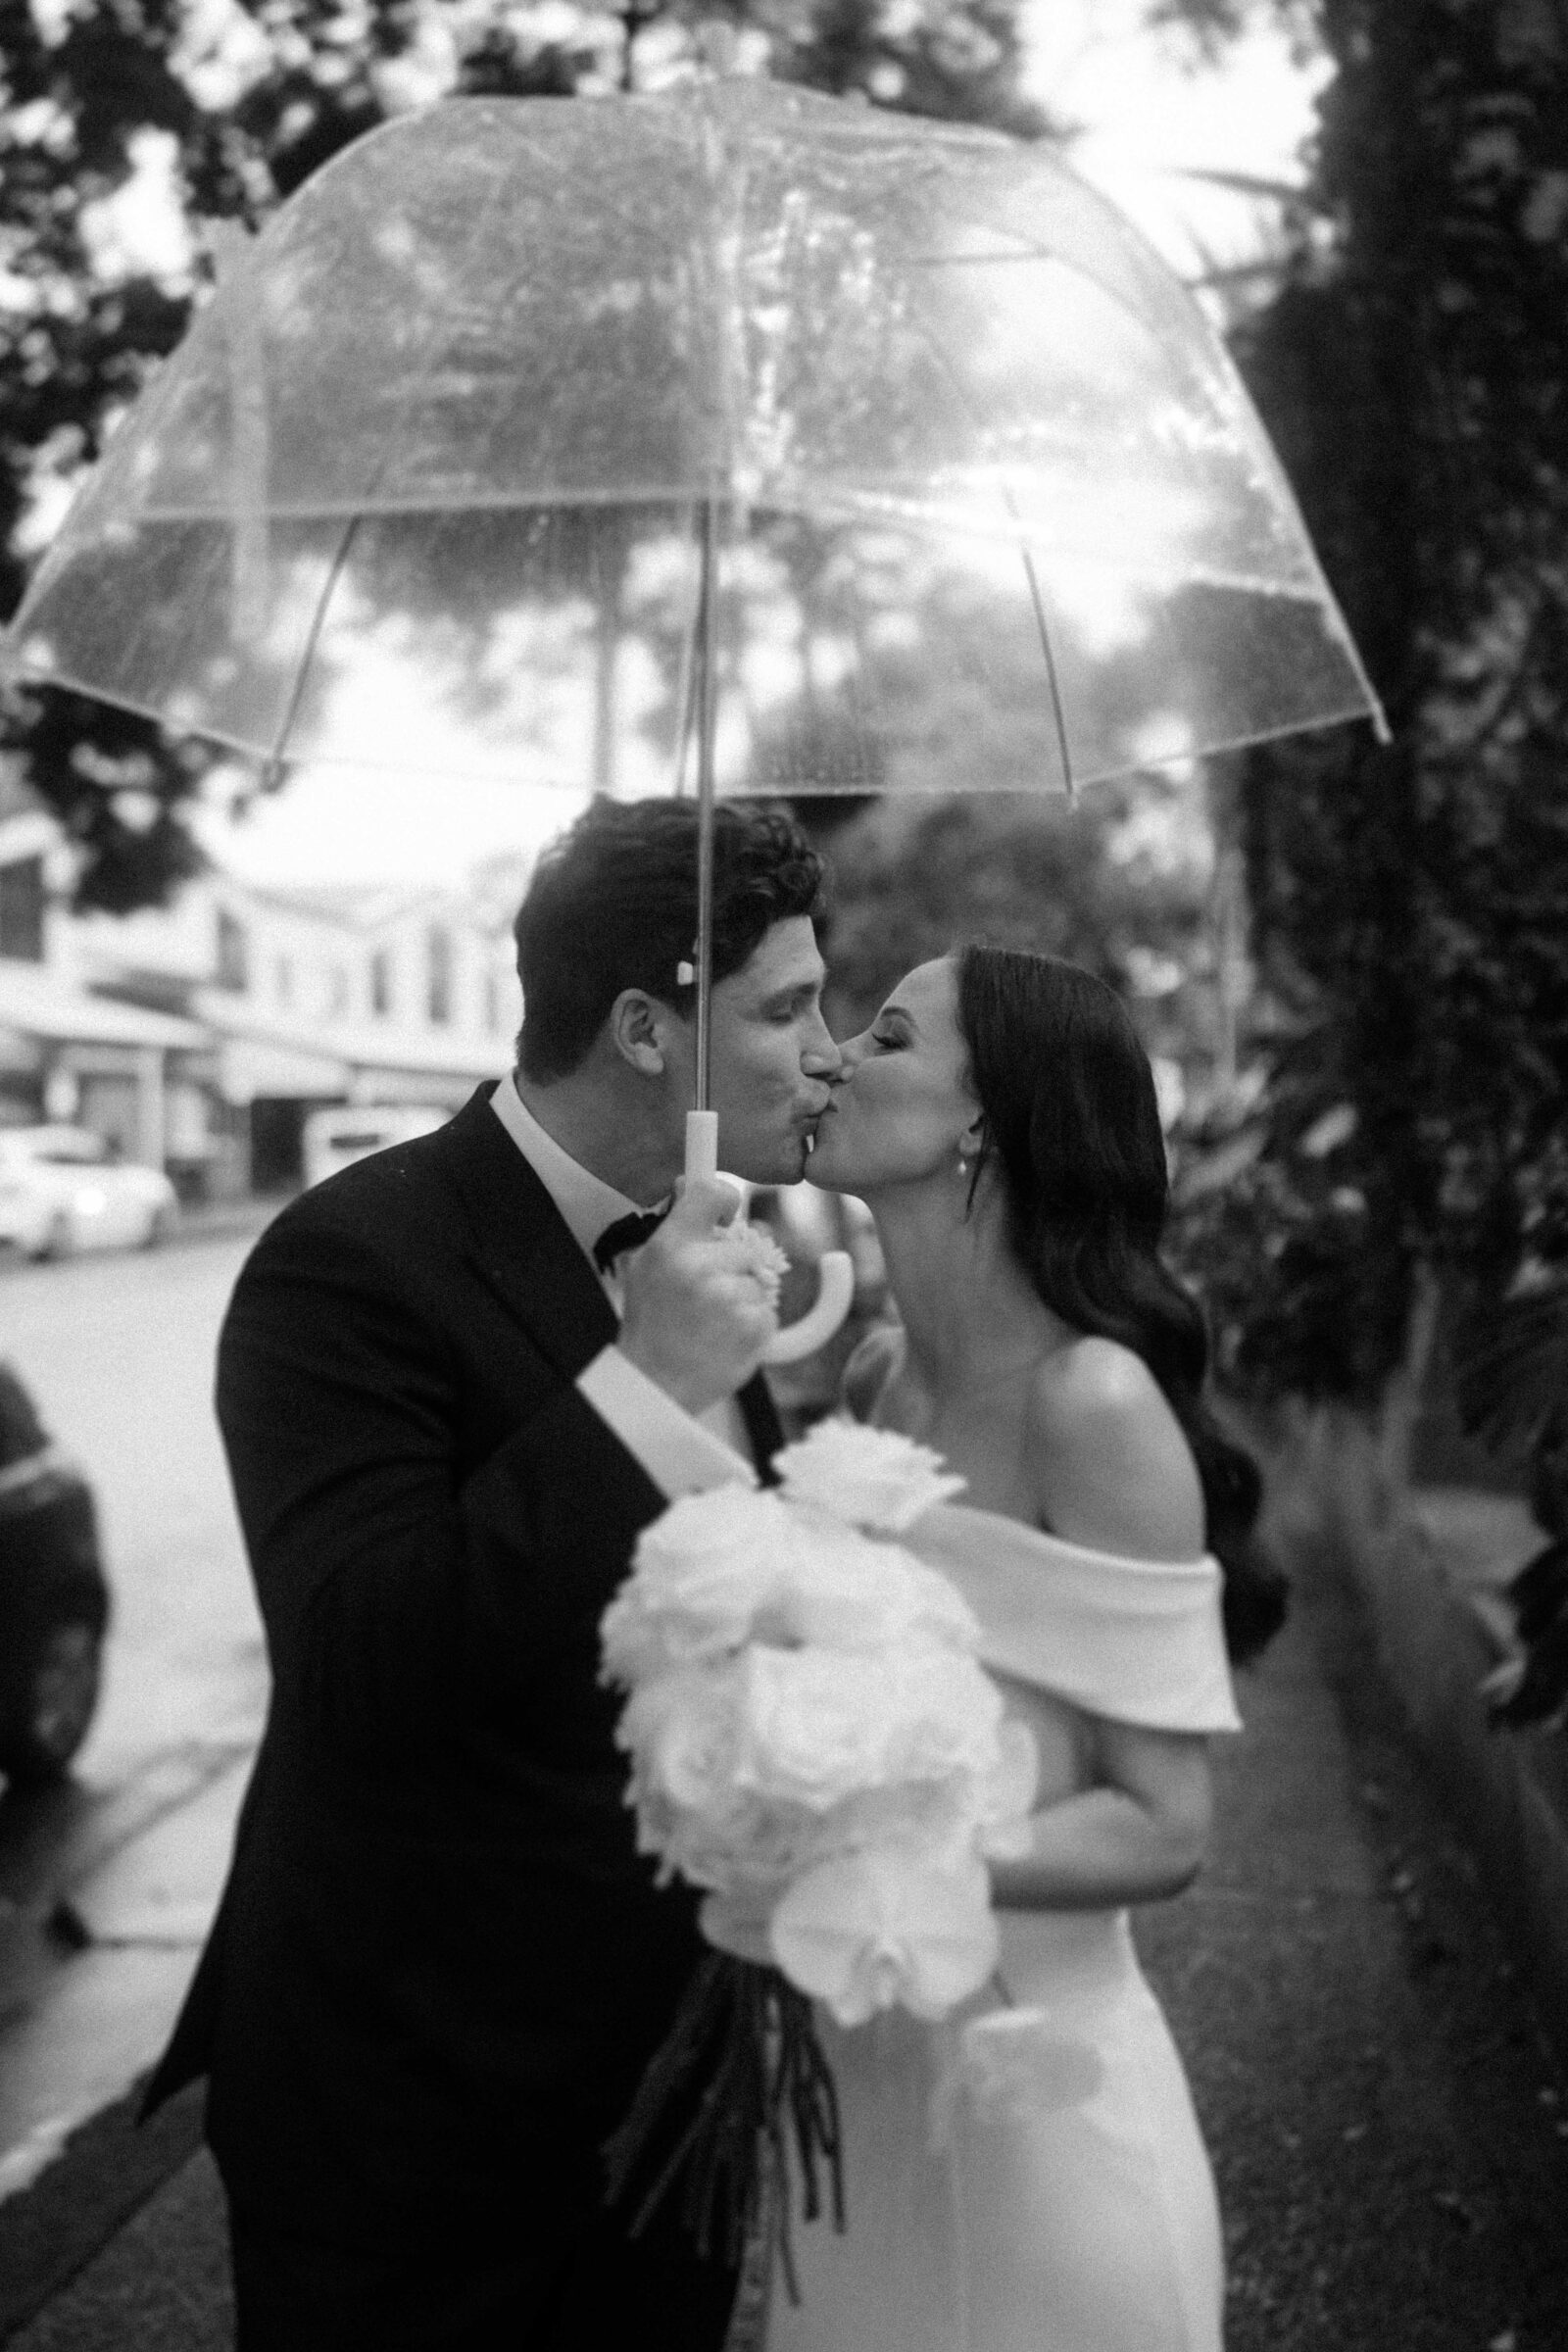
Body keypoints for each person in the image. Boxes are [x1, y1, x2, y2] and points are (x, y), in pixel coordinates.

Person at [140, 797, 842, 2350]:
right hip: (409, 2116)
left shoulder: (716, 1243)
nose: (828, 1049)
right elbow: (359, 1664)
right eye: (789, 1008)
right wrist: (640, 1384)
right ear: (648, 1029)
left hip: (663, 2100)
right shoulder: (351, 1260)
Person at [775, 943, 1285, 2352]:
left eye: (881, 1038)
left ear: (986, 1117)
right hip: (854, 2115)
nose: (827, 1057)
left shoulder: (1094, 1403)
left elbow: (1165, 1828)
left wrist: (862, 1862)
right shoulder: (874, 1376)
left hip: (1045, 2114)